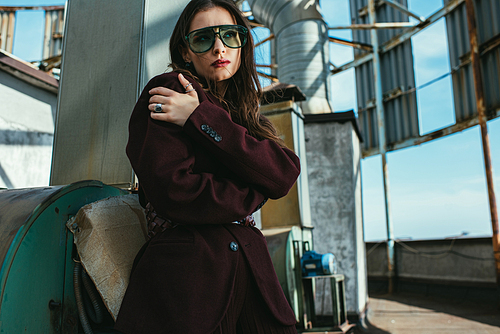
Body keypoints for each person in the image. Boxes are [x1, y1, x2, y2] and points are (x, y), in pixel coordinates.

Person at [114, 0, 301, 333]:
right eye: (203, 39)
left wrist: (198, 117)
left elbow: (283, 173)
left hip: (255, 283)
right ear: (186, 51)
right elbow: (175, 191)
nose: (219, 47)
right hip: (190, 285)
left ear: (243, 44)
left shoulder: (244, 115)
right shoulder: (170, 90)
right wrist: (252, 192)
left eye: (230, 35)